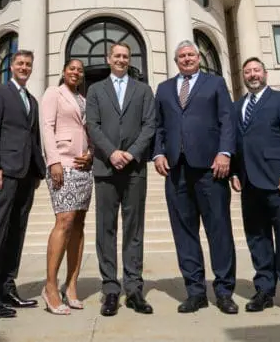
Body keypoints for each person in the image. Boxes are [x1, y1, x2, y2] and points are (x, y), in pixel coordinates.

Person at [153, 40, 238, 315]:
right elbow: (159, 126)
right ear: (176, 60)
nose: (187, 59)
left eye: (191, 55)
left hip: (211, 169)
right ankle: (195, 292)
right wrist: (158, 154)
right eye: (182, 56)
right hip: (176, 170)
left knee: (219, 231)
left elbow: (227, 120)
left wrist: (225, 153)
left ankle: (224, 292)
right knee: (184, 233)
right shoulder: (164, 89)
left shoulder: (215, 84)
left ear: (198, 58)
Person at [230, 58, 280, 318]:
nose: (252, 75)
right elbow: (235, 142)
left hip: (278, 181)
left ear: (265, 73)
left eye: (256, 70)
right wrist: (234, 172)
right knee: (257, 239)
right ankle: (264, 290)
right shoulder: (237, 106)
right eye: (247, 71)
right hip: (249, 182)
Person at [85, 43, 158, 316]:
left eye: (125, 56)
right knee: (105, 230)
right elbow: (92, 124)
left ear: (130, 60)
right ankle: (110, 289)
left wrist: (130, 153)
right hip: (105, 168)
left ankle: (134, 289)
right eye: (116, 56)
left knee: (133, 230)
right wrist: (112, 152)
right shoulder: (95, 90)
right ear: (108, 59)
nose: (121, 60)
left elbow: (150, 124)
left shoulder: (143, 90)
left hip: (134, 169)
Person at [0, 49, 47, 318]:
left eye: (28, 64)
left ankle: (7, 287)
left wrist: (38, 172)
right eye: (20, 63)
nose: (24, 67)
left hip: (27, 175)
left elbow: (34, 138)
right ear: (11, 66)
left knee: (17, 232)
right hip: (4, 172)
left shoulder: (32, 100)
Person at [39, 59, 95, 315]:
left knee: (79, 224)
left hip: (83, 167)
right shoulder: (53, 93)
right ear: (63, 72)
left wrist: (92, 152)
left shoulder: (83, 99)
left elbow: (89, 131)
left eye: (80, 71)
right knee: (65, 220)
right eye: (72, 69)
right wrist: (53, 161)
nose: (76, 73)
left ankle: (71, 285)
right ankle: (50, 287)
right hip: (62, 164)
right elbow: (46, 128)